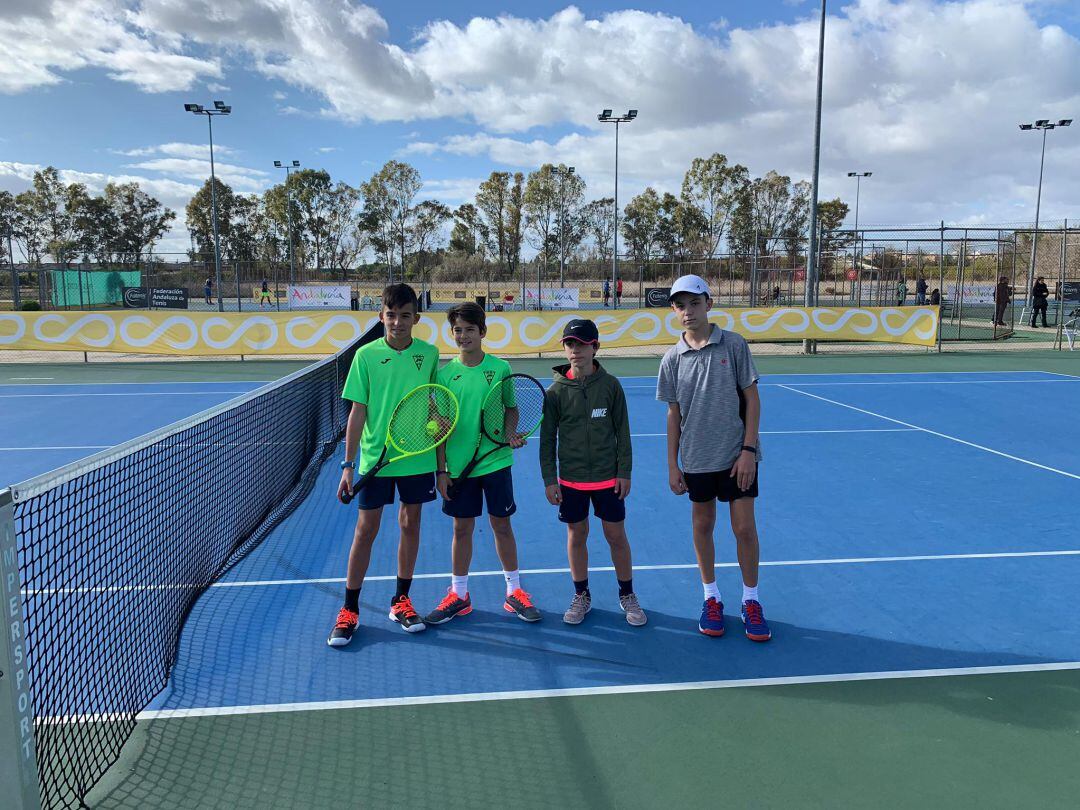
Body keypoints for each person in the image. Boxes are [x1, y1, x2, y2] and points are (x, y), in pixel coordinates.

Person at [658, 274, 770, 642]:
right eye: (680, 305)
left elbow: (752, 399)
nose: (687, 311)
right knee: (703, 526)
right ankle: (711, 598)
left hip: (738, 457)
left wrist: (749, 451)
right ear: (674, 311)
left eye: (694, 303)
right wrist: (673, 464)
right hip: (696, 459)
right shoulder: (672, 358)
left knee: (743, 529)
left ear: (708, 303)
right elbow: (673, 414)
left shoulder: (733, 346)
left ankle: (751, 600)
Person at [328, 283, 440, 647]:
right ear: (381, 317)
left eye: (405, 316)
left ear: (416, 319)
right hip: (375, 459)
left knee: (410, 524)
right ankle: (350, 609)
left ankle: (401, 600)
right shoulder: (365, 356)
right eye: (391, 315)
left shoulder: (430, 354)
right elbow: (357, 413)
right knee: (366, 531)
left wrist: (440, 454)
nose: (397, 322)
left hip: (416, 458)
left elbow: (434, 404)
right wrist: (348, 465)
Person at [425, 302, 541, 625]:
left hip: (495, 462)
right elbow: (442, 428)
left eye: (470, 330)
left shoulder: (500, 368)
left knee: (501, 526)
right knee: (461, 529)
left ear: (482, 332)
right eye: (458, 330)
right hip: (460, 468)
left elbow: (510, 409)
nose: (463, 336)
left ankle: (514, 591)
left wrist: (509, 434)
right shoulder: (445, 375)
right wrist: (442, 470)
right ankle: (459, 595)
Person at [540, 319, 646, 627]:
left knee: (616, 535)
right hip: (570, 480)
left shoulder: (611, 386)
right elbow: (547, 439)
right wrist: (550, 478)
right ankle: (581, 594)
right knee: (577, 534)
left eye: (582, 344)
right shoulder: (555, 392)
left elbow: (622, 432)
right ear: (564, 348)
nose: (576, 350)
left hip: (607, 478)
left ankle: (627, 594)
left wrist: (624, 471)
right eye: (570, 344)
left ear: (595, 347)